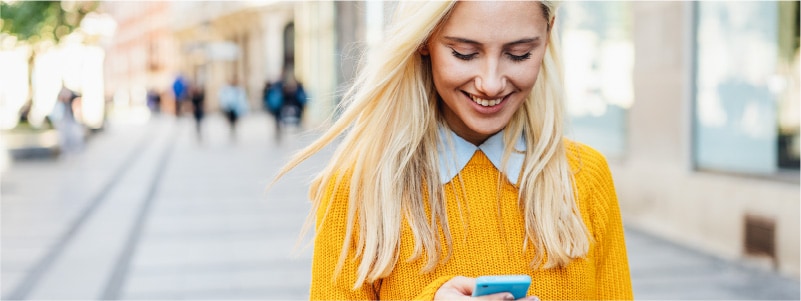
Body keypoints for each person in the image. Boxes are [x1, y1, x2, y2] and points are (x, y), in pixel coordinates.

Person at [275, 1, 632, 300]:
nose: (490, 83)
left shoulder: (585, 176)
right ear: (424, 41)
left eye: (519, 54)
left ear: (549, 34)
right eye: (465, 53)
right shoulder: (357, 187)